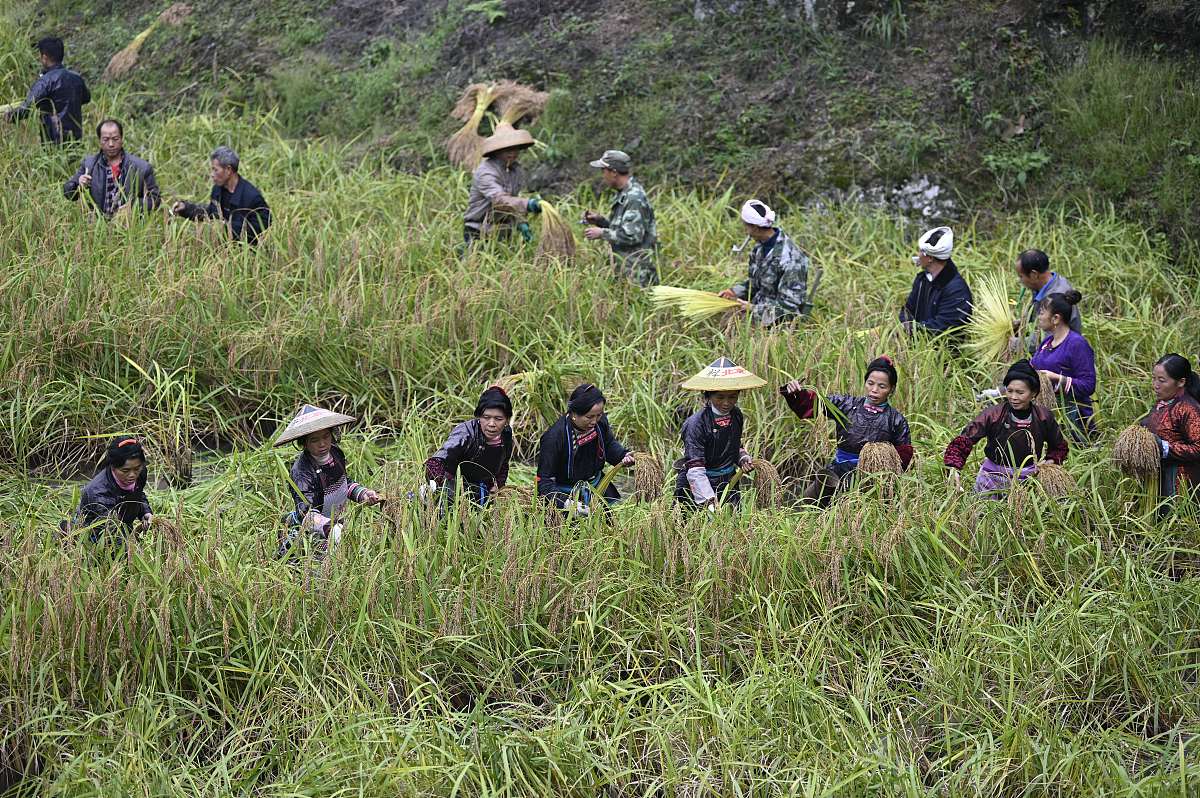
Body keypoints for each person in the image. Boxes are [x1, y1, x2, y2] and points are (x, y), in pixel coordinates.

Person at [781, 356, 914, 507]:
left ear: (891, 389)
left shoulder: (896, 420)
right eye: (870, 383)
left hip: (872, 480)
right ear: (865, 382)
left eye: (882, 386)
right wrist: (796, 393)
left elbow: (903, 459)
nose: (874, 390)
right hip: (838, 472)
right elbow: (813, 405)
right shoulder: (846, 405)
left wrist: (878, 463)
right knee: (812, 506)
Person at [944, 360, 1068, 496]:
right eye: (1010, 391)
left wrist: (1049, 464)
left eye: (1020, 392)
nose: (1014, 397)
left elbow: (1058, 446)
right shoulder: (993, 414)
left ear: (1033, 393)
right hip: (991, 479)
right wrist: (953, 467)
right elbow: (964, 440)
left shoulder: (1043, 417)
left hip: (1027, 481)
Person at [275, 405, 382, 558]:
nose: (322, 444)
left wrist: (363, 494)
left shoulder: (335, 453)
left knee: (343, 560)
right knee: (313, 566)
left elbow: (343, 483)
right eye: (314, 440)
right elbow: (307, 513)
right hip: (311, 531)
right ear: (304, 443)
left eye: (326, 436)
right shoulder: (302, 472)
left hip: (336, 523)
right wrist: (329, 527)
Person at [673, 358, 765, 510]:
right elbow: (695, 467)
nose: (727, 402)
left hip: (728, 482)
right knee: (698, 522)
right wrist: (709, 501)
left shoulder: (736, 415)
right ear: (709, 396)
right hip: (699, 484)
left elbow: (734, 445)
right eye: (720, 397)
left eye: (732, 397)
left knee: (732, 521)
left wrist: (742, 458)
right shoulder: (696, 424)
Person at [536, 383, 635, 513]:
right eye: (589, 417)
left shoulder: (600, 422)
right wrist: (566, 503)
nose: (594, 421)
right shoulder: (554, 438)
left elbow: (608, 444)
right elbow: (544, 480)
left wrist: (623, 456)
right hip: (566, 495)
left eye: (599, 415)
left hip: (596, 488)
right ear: (574, 414)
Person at [718, 200, 813, 326]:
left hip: (778, 324)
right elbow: (755, 283)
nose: (746, 231)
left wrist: (753, 308)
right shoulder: (760, 247)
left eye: (746, 227)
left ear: (755, 227)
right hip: (757, 311)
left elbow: (789, 306)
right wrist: (734, 292)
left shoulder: (791, 259)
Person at [422, 386, 515, 506]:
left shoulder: (506, 435)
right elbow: (437, 462)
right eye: (486, 417)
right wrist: (439, 484)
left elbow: (504, 464)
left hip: (481, 490)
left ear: (506, 420)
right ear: (479, 417)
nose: (491, 424)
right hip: (455, 487)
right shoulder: (465, 433)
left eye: (498, 419)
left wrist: (498, 485)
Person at [583, 150, 658, 287]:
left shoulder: (634, 198)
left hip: (638, 275)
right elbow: (623, 229)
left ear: (614, 172)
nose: (602, 175)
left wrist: (601, 233)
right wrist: (601, 222)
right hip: (627, 271)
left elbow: (632, 236)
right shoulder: (624, 194)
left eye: (603, 170)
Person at [1029, 291, 1096, 442]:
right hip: (1046, 416)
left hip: (1073, 422)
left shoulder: (1077, 344)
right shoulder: (1047, 343)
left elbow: (1088, 385)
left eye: (1042, 312)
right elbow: (1032, 367)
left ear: (1056, 318)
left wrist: (1055, 378)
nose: (1039, 316)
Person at [462, 123, 541, 248]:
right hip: (478, 230)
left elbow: (512, 201)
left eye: (516, 149)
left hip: (502, 231)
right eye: (508, 150)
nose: (513, 153)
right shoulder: (486, 172)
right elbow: (500, 200)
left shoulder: (515, 170)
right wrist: (527, 204)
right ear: (497, 151)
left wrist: (520, 222)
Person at [62, 119, 161, 218]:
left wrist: (132, 207)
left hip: (130, 224)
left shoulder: (141, 167)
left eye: (115, 139)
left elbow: (155, 199)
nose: (111, 144)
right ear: (99, 141)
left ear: (122, 139)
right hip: (97, 224)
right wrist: (78, 185)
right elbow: (68, 193)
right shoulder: (90, 164)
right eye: (105, 139)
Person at [171, 146, 271, 244]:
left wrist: (226, 228)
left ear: (228, 170)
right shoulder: (218, 190)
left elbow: (261, 228)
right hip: (222, 248)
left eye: (215, 170)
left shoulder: (252, 197)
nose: (212, 174)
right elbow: (211, 214)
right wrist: (186, 208)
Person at [4, 36, 90, 144]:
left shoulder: (45, 81)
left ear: (44, 57)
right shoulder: (77, 78)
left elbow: (28, 107)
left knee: (53, 154)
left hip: (53, 138)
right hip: (75, 137)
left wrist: (10, 115)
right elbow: (86, 98)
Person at [70, 437, 153, 542]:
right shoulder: (98, 492)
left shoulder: (141, 472)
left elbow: (138, 494)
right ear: (113, 467)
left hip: (122, 522)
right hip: (96, 533)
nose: (132, 475)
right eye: (125, 470)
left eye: (137, 468)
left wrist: (145, 512)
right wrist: (131, 546)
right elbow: (111, 531)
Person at [1141, 353, 1200, 500]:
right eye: (1154, 378)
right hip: (1158, 479)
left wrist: (1164, 447)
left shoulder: (1188, 409)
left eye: (1162, 380)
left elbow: (1198, 448)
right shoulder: (1164, 402)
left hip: (1180, 486)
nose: (1155, 385)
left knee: (1172, 514)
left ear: (1181, 382)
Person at [900, 226, 972, 338]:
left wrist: (910, 330)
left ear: (930, 258)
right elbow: (907, 310)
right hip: (915, 342)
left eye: (920, 251)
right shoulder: (922, 280)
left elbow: (942, 328)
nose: (918, 254)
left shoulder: (957, 291)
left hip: (941, 348)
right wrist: (905, 325)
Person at [1013, 249, 1081, 353]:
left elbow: (1048, 339)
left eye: (1021, 276)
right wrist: (1021, 322)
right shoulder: (1047, 283)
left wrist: (1014, 344)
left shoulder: (1056, 298)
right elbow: (1036, 310)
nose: (1019, 280)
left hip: (1061, 353)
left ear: (1034, 275)